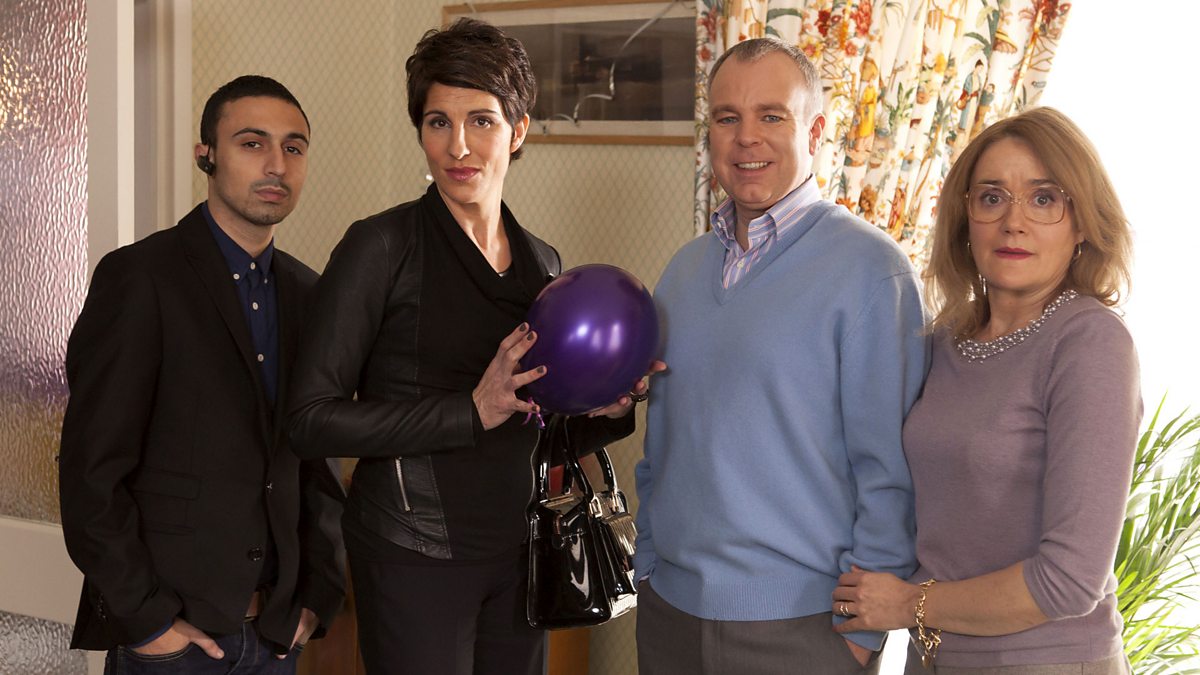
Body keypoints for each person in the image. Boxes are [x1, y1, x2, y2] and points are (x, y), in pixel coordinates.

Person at [286, 19, 652, 675]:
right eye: (439, 122)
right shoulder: (380, 248)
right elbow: (310, 419)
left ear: (518, 131)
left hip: (523, 554)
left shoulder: (543, 265)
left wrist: (608, 408)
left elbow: (537, 431)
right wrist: (469, 409)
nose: (458, 145)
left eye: (481, 121)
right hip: (410, 556)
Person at [633, 37, 928, 674]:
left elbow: (892, 473)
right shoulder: (682, 271)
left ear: (815, 131)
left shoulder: (873, 273)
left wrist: (860, 635)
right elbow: (664, 443)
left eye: (772, 115)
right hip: (669, 612)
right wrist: (649, 562)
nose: (747, 138)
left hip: (806, 630)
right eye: (727, 117)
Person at [831, 107, 1140, 674]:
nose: (1013, 222)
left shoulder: (1090, 343)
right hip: (934, 658)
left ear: (1082, 223)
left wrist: (907, 603)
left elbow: (1071, 580)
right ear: (965, 219)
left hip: (1046, 664)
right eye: (992, 198)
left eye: (1044, 198)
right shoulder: (945, 338)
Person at [59, 75, 347, 674]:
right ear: (206, 155)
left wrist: (318, 596)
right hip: (172, 642)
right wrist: (148, 621)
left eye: (293, 147)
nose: (277, 164)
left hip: (275, 637)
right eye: (252, 143)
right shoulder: (140, 278)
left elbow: (316, 463)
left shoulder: (310, 294)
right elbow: (91, 472)